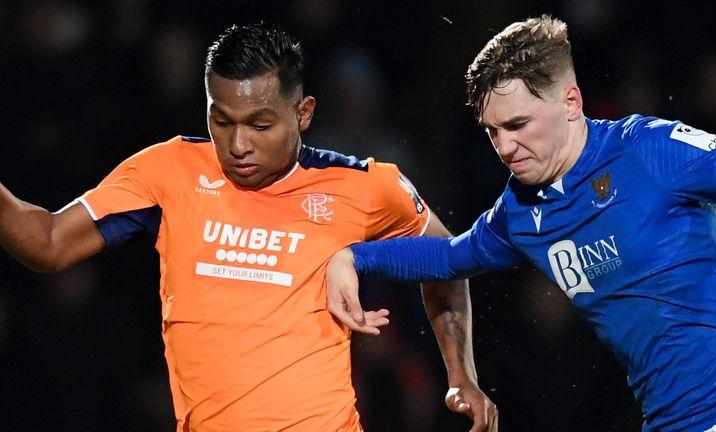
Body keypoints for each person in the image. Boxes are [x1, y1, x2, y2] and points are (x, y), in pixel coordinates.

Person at [0, 23, 498, 431]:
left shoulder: (366, 186)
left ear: (303, 114)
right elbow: (44, 242)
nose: (238, 144)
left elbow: (448, 261)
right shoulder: (169, 170)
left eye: (260, 125)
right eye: (223, 121)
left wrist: (461, 374)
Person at [326, 15, 716, 432]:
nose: (505, 147)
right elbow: (448, 256)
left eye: (518, 124)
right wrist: (353, 257)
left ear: (571, 102)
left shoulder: (651, 150)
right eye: (492, 130)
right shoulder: (519, 211)